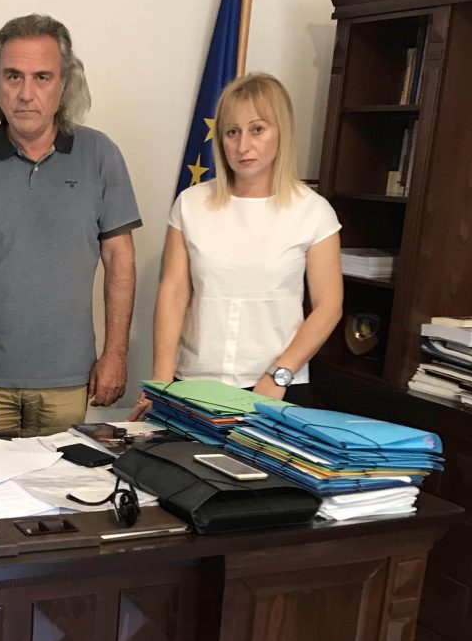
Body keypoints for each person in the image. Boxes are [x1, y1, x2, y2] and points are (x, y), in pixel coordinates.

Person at [0, 14, 141, 437]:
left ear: (64, 84)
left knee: (63, 479)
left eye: (42, 77)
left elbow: (120, 258)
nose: (26, 94)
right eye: (13, 76)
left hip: (68, 379)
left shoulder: (101, 156)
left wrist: (115, 354)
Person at [131, 73, 342, 419]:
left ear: (281, 132)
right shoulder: (191, 204)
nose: (243, 146)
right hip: (194, 383)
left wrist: (279, 373)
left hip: (275, 388)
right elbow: (174, 293)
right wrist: (161, 383)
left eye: (257, 129)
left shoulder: (313, 211)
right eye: (232, 132)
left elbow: (328, 306)